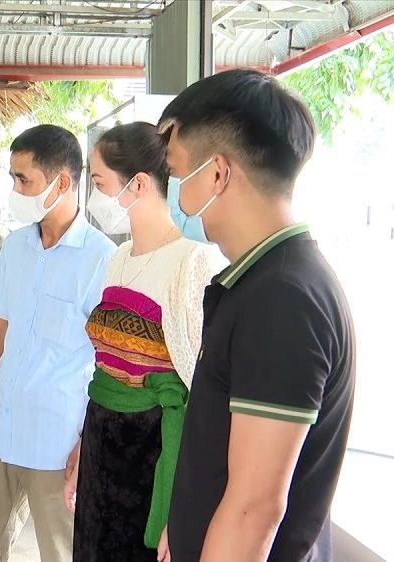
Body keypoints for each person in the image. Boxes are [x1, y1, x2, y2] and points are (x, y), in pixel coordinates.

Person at [158, 69, 355, 561]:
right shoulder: (266, 281)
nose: (176, 192)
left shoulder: (282, 300)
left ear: (218, 173)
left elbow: (254, 509)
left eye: (179, 172)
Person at [61, 122, 225, 562]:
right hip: (101, 442)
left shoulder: (192, 264)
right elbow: (104, 368)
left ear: (137, 184)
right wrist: (82, 444)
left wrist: (185, 506)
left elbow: (202, 391)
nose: (92, 196)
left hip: (151, 456)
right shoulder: (117, 258)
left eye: (97, 183)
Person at [0, 124, 117, 562]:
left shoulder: (102, 259)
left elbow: (110, 362)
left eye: (23, 179)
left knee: (62, 552)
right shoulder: (16, 246)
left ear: (62, 183)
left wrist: (89, 441)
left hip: (57, 440)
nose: (15, 189)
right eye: (12, 178)